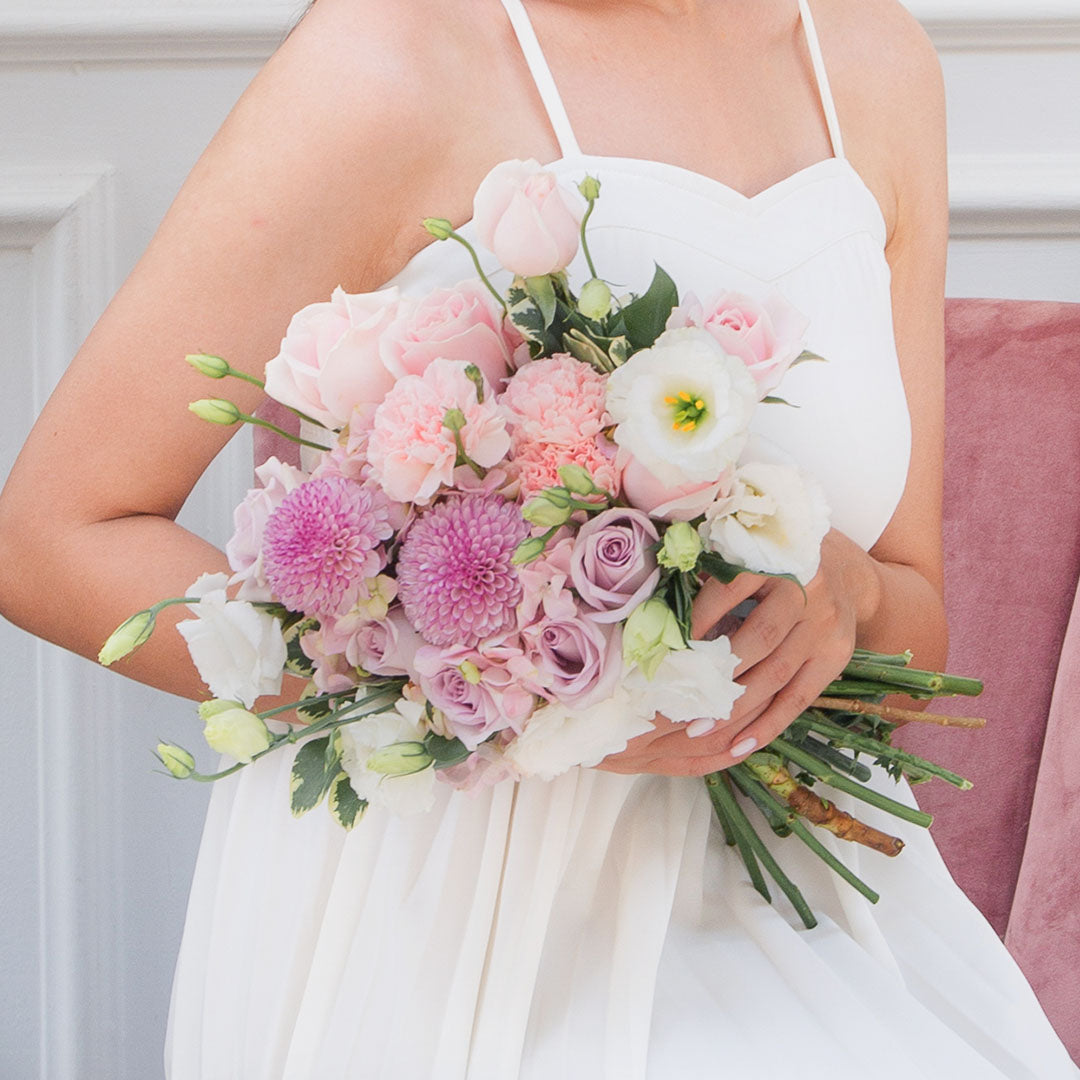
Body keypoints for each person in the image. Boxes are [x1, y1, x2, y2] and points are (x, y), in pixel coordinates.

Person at [0, 0, 1075, 1076]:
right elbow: (55, 536)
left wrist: (852, 598)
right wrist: (475, 691)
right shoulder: (388, 55)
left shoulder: (875, 61)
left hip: (806, 906)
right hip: (462, 929)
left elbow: (915, 622)